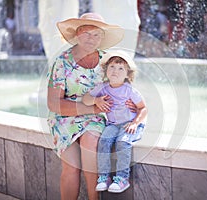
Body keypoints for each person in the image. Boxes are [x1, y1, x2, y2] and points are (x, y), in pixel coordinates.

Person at [46, 13, 125, 200]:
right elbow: (54, 104)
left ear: (102, 38)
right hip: (64, 117)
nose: (92, 38)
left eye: (96, 34)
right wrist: (92, 108)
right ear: (77, 34)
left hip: (96, 117)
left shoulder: (108, 62)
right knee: (71, 167)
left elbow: (120, 91)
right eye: (87, 33)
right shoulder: (62, 62)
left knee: (90, 144)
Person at [82, 50, 148, 193]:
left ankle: (122, 178)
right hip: (112, 124)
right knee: (104, 142)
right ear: (106, 70)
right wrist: (96, 100)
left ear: (127, 74)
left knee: (122, 142)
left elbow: (143, 109)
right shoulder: (103, 88)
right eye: (111, 67)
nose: (115, 71)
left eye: (120, 68)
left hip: (130, 123)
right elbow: (85, 99)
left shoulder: (129, 90)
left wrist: (135, 123)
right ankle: (104, 177)